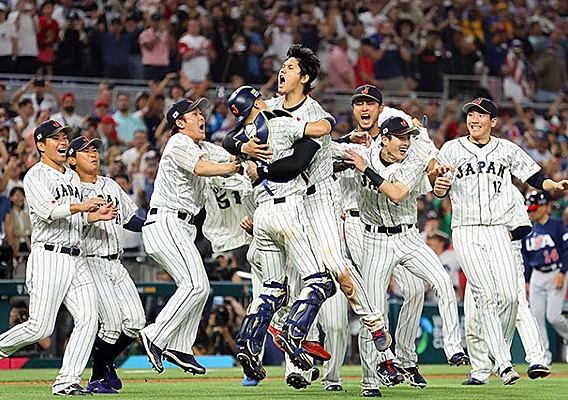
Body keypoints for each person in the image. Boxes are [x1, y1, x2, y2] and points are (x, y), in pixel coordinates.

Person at [241, 45, 389, 391]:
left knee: (337, 269)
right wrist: (244, 149)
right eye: (283, 65)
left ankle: (374, 324)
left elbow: (297, 162)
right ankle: (293, 344)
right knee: (292, 282)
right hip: (286, 205)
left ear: (304, 78)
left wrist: (258, 167)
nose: (282, 71)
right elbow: (239, 138)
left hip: (317, 199)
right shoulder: (270, 108)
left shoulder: (315, 114)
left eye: (290, 67)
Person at [0, 119, 117, 395]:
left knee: (89, 318)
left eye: (64, 136)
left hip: (77, 257)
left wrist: (92, 216)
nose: (63, 141)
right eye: (55, 138)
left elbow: (75, 218)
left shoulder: (72, 176)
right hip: (48, 257)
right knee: (40, 328)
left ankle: (67, 381)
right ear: (40, 145)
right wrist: (82, 206)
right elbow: (48, 211)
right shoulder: (35, 175)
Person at [433, 97, 568, 385]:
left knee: (509, 297)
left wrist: (552, 185)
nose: (475, 119)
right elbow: (439, 184)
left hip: (497, 230)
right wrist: (439, 187)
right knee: (485, 295)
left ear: (493, 122)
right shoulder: (452, 149)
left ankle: (498, 354)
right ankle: (504, 365)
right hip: (467, 229)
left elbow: (533, 175)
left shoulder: (506, 149)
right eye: (471, 114)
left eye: (482, 115)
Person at [344, 116, 468, 397]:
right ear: (384, 139)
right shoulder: (363, 153)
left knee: (442, 282)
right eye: (400, 137)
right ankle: (369, 381)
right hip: (374, 239)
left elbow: (397, 193)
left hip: (408, 236)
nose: (406, 142)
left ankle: (453, 347)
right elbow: (330, 152)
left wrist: (366, 170)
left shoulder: (412, 160)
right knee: (374, 314)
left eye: (408, 137)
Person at [223, 85, 337, 384]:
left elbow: (227, 142)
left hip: (261, 215)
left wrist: (245, 151)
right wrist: (330, 121)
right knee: (321, 282)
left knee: (272, 289)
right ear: (258, 102)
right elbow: (321, 128)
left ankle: (248, 342)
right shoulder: (281, 121)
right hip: (289, 209)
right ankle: (293, 331)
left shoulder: (243, 138)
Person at [138, 98, 240, 375]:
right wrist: (231, 168)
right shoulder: (178, 142)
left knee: (200, 287)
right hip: (167, 220)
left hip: (182, 227)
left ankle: (181, 346)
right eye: (194, 113)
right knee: (195, 285)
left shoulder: (202, 147)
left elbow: (231, 158)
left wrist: (245, 151)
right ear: (179, 122)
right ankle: (155, 335)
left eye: (201, 112)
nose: (200, 116)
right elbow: (201, 168)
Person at [66, 135, 146, 394]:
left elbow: (131, 219)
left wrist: (156, 223)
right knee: (111, 324)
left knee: (135, 321)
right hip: (90, 261)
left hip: (116, 262)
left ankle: (106, 363)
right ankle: (97, 378)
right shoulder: (71, 189)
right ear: (72, 159)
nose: (93, 154)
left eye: (94, 150)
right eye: (85, 151)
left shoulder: (110, 184)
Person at [463, 187, 551, 385]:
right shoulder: (469, 188)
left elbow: (524, 226)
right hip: (476, 255)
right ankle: (480, 371)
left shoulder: (509, 191)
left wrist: (498, 239)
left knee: (518, 306)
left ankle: (537, 359)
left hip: (507, 254)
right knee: (472, 316)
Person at [522, 191, 568, 365]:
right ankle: (543, 358)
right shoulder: (528, 228)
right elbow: (525, 257)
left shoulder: (556, 225)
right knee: (536, 318)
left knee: (554, 316)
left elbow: (566, 250)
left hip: (556, 272)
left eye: (533, 209)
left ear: (543, 207)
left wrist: (563, 273)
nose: (531, 213)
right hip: (537, 275)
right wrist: (526, 280)